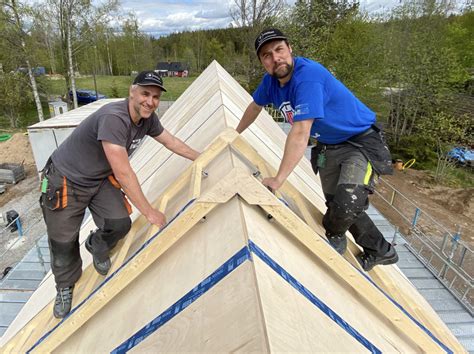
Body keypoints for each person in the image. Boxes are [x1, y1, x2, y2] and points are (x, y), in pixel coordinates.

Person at [236, 28, 398, 272]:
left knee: (347, 201)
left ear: (290, 49)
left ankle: (334, 235)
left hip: (359, 142)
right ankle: (381, 250)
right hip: (328, 145)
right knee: (337, 203)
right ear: (262, 62)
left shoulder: (308, 77)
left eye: (279, 50)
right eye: (267, 55)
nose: (275, 58)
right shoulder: (270, 83)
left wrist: (278, 179)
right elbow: (254, 107)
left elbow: (301, 131)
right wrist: (235, 133)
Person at [40, 71, 200, 318]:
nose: (150, 101)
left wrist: (200, 157)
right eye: (145, 94)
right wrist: (149, 213)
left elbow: (171, 142)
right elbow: (124, 173)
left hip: (98, 178)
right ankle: (64, 285)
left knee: (119, 223)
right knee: (63, 242)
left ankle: (97, 245)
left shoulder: (148, 119)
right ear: (132, 92)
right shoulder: (114, 118)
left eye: (156, 97)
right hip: (66, 180)